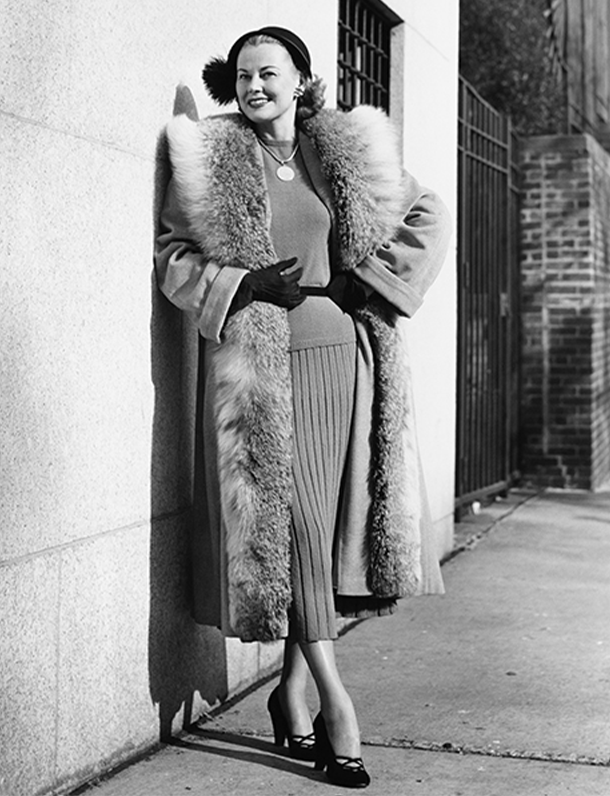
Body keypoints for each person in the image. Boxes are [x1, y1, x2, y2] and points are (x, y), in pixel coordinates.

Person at [155, 25, 451, 789]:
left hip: (340, 364)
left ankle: (287, 694)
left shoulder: (341, 147)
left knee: (314, 538)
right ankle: (336, 707)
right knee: (295, 529)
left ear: (301, 77)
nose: (254, 87)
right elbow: (174, 256)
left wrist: (371, 283)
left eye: (269, 73)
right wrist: (242, 286)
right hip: (260, 368)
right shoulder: (211, 157)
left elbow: (430, 213)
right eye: (243, 75)